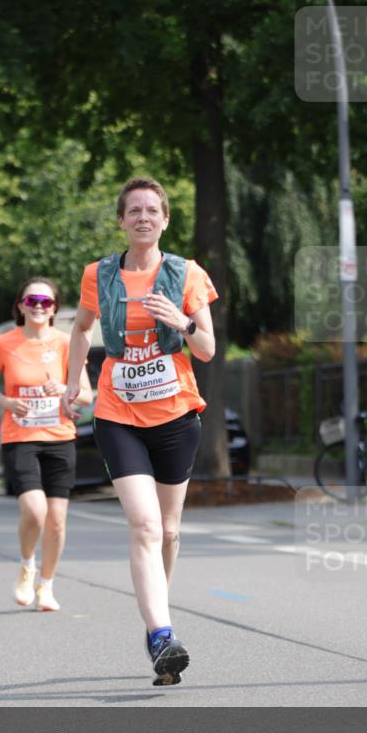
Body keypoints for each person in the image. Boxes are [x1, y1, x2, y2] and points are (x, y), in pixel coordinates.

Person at [62, 177, 218, 685]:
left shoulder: (187, 274)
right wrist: (75, 382)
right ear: (122, 220)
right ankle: (161, 633)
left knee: (169, 531)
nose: (143, 218)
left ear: (165, 220)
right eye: (134, 210)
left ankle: (157, 621)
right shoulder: (99, 274)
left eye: (152, 210)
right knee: (146, 527)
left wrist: (182, 321)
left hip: (176, 415)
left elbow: (208, 350)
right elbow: (81, 328)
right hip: (118, 414)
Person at [0, 276, 92, 612]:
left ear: (54, 308)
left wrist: (64, 389)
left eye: (45, 302)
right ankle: (27, 565)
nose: (39, 306)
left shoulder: (66, 343)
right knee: (35, 510)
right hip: (20, 437)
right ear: (20, 306)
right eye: (31, 301)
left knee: (56, 520)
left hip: (59, 437)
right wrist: (8, 402)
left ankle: (47, 585)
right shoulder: (4, 343)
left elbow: (86, 395)